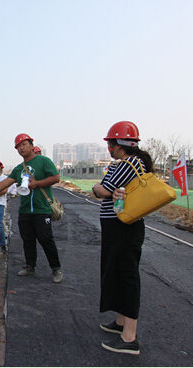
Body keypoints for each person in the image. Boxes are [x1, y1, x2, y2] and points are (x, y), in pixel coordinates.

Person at [91, 121, 152, 355]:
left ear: (119, 144)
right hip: (117, 226)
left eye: (111, 143)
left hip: (124, 227)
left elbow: (104, 191)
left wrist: (98, 187)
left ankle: (130, 337)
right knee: (115, 271)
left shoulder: (131, 163)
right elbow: (104, 190)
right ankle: (120, 322)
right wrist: (100, 188)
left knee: (126, 275)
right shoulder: (124, 163)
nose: (110, 148)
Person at [0, 134, 63, 283]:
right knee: (27, 239)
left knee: (46, 239)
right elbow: (6, 183)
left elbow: (56, 178)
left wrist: (36, 184)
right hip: (25, 210)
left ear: (31, 145)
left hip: (42, 208)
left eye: (24, 144)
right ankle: (30, 266)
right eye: (18, 146)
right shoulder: (19, 169)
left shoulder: (44, 161)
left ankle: (56, 269)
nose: (21, 148)